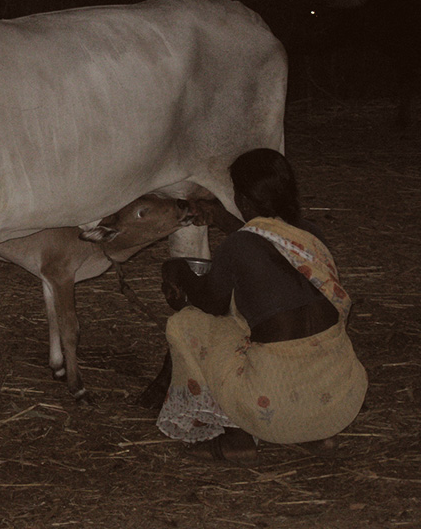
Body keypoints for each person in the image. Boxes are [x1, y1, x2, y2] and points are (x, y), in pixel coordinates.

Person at [149, 148, 367, 463]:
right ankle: (317, 436)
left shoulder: (236, 248)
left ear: (244, 201)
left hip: (271, 409)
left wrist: (177, 269)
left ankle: (236, 438)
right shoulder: (311, 237)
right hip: (337, 403)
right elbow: (269, 246)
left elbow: (211, 302)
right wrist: (220, 217)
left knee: (188, 324)